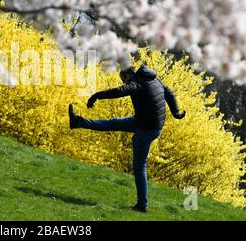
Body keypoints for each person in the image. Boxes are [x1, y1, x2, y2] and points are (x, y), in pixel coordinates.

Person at [68, 64, 185, 213]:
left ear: (126, 75)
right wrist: (176, 112)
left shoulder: (137, 83)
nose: (124, 83)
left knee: (139, 166)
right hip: (144, 122)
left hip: (147, 129)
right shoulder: (153, 78)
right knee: (113, 123)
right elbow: (169, 93)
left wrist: (96, 95)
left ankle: (142, 205)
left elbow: (119, 91)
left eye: (123, 80)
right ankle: (78, 122)